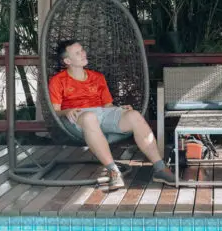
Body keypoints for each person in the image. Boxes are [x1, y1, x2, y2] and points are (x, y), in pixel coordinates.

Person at [48, 40, 175, 190]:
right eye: (77, 53)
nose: (83, 53)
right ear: (67, 61)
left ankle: (160, 168)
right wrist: (67, 111)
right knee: (89, 117)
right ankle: (113, 171)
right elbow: (55, 110)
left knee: (133, 115)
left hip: (102, 113)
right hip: (78, 118)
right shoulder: (58, 81)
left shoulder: (97, 77)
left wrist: (120, 109)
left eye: (82, 50)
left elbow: (107, 106)